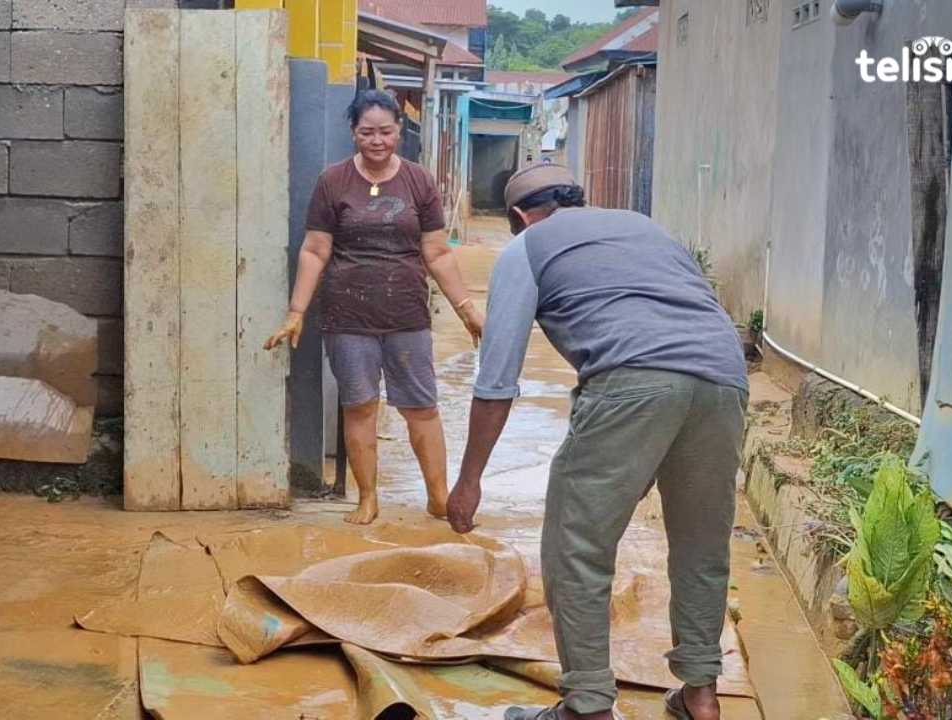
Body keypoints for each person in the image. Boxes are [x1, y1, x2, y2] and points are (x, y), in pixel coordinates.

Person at [446, 164, 748, 720]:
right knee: (701, 544)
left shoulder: (526, 249)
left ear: (519, 217)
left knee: (577, 549)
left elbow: (497, 380)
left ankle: (586, 707)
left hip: (629, 380)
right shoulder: (646, 228)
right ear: (580, 200)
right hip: (723, 379)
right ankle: (701, 697)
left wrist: (468, 481)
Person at [265, 89, 485, 525]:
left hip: (406, 314)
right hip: (348, 316)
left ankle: (438, 496)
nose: (377, 140)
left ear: (399, 131)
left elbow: (437, 252)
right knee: (361, 405)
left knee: (421, 406)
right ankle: (367, 498)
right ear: (353, 133)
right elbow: (315, 249)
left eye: (386, 131)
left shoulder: (419, 181)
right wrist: (296, 312)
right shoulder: (333, 181)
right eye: (367, 132)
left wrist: (466, 308)